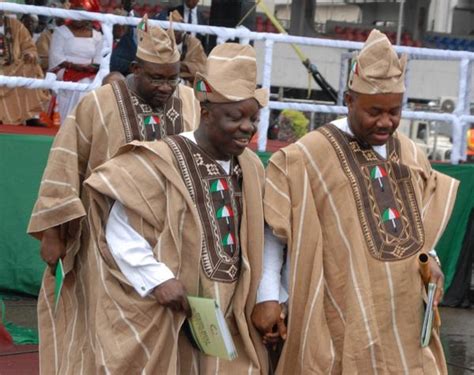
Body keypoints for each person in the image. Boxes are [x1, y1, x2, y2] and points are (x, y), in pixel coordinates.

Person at [252, 29, 459, 374]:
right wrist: (268, 296)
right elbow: (274, 233)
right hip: (338, 310)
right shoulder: (308, 156)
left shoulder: (410, 152)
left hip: (403, 314)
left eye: (395, 112)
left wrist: (431, 260)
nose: (385, 121)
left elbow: (418, 227)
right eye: (374, 111)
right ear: (348, 99)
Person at [28, 15, 200, 374]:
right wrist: (53, 233)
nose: (167, 87)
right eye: (156, 77)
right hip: (105, 240)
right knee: (110, 332)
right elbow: (65, 163)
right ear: (136, 68)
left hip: (172, 240)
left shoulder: (189, 101)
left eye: (173, 77)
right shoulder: (99, 104)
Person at [82, 42, 269, 374]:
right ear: (207, 112)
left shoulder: (251, 167)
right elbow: (121, 229)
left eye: (253, 118)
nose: (247, 127)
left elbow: (264, 236)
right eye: (235, 117)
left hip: (231, 316)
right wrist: (157, 280)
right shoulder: (160, 158)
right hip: (166, 310)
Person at [48, 0, 103, 124]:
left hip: (90, 71)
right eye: (76, 14)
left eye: (82, 15)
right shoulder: (61, 31)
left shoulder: (97, 35)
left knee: (95, 83)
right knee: (83, 83)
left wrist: (89, 68)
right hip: (65, 68)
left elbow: (99, 59)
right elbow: (56, 57)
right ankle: (71, 121)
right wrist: (75, 67)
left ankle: (87, 123)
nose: (78, 18)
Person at [0, 12, 50, 125]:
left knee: (31, 67)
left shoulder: (15, 25)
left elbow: (28, 46)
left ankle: (31, 115)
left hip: (14, 66)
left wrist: (29, 54)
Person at [169, 9, 206, 85]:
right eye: (170, 29)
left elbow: (201, 69)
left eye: (176, 29)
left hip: (191, 84)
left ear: (182, 30)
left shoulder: (194, 43)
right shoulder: (163, 42)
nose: (172, 33)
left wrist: (178, 65)